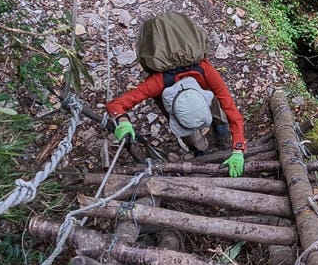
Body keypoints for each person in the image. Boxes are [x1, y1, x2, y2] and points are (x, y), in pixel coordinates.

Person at [106, 57, 247, 176]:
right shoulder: (157, 82)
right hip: (176, 96)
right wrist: (123, 122)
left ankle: (221, 129)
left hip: (202, 92)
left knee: (218, 106)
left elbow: (232, 111)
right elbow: (116, 105)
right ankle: (200, 149)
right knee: (191, 133)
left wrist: (238, 149)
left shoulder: (205, 70)